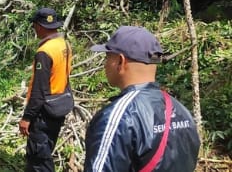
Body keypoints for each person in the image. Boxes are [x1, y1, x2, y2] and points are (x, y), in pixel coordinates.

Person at [84, 26, 200, 172]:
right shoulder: (183, 112)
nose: (105, 65)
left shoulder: (118, 117)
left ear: (120, 61)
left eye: (108, 57)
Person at [20, 8, 74, 172]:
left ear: (40, 26)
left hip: (43, 112)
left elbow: (39, 90)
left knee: (39, 158)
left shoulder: (44, 52)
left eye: (35, 26)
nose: (35, 29)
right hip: (59, 105)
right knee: (46, 148)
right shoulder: (63, 44)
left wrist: (27, 118)